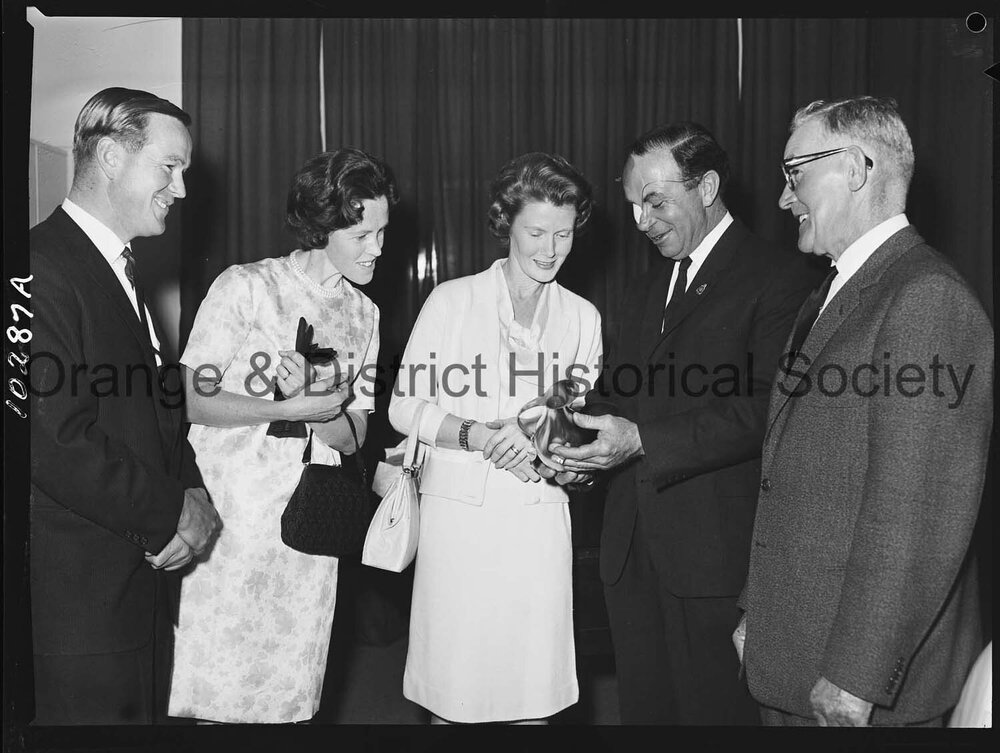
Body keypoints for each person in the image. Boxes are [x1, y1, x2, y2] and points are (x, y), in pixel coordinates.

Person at [547, 123, 820, 724]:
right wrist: (575, 438)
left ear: (708, 187)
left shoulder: (780, 278)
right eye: (633, 206)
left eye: (654, 202)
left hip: (713, 561)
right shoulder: (646, 287)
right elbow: (624, 397)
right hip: (631, 554)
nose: (641, 222)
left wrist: (641, 441)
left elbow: (770, 407)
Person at [734, 96, 993, 726]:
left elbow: (917, 510)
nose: (783, 198)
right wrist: (755, 611)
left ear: (854, 168)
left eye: (795, 173)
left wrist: (857, 675)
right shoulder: (840, 288)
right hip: (795, 654)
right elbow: (794, 478)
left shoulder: (926, 299)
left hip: (856, 685)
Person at [167, 148, 396, 723]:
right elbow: (189, 397)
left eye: (382, 232)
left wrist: (321, 409)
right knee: (215, 693)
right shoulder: (246, 287)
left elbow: (354, 437)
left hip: (307, 526)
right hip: (230, 521)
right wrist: (284, 404)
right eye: (362, 234)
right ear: (322, 227)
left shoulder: (365, 314)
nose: (377, 248)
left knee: (289, 701)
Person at [28, 87, 222, 724]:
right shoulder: (37, 266)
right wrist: (172, 512)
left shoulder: (120, 269)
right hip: (79, 609)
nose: (181, 188)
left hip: (136, 591)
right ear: (111, 157)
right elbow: (53, 440)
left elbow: (162, 413)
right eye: (169, 166)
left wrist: (192, 495)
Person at [387, 152, 603, 724]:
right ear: (507, 223)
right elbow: (404, 406)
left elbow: (572, 417)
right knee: (454, 697)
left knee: (533, 697)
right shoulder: (451, 300)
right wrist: (479, 436)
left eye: (563, 234)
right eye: (536, 232)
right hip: (458, 522)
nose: (550, 250)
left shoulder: (584, 318)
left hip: (537, 520)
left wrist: (538, 436)